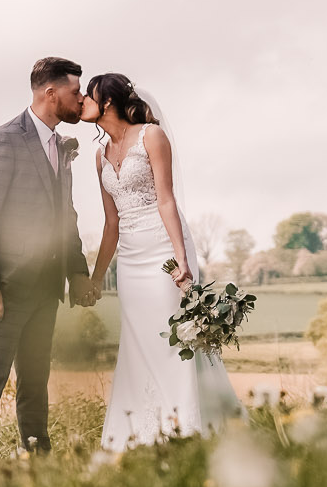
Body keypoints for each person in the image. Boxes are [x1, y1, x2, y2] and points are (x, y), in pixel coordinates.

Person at [82, 73, 241, 449]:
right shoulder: (98, 155)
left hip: (163, 250)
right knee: (137, 345)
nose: (81, 104)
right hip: (131, 262)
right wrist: (96, 276)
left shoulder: (151, 136)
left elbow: (166, 200)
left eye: (87, 97)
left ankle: (188, 429)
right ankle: (140, 433)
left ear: (106, 101)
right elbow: (111, 223)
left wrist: (181, 260)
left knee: (175, 339)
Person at [0, 56, 94, 453]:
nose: (81, 99)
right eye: (75, 92)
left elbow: (64, 217)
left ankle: (40, 462)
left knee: (36, 383)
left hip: (45, 290)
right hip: (7, 287)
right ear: (50, 93)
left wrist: (78, 272)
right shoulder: (4, 139)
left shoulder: (61, 146)